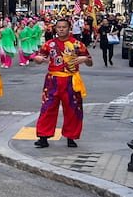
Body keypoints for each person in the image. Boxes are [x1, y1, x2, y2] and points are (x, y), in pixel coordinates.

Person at [31, 17, 92, 148]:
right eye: (59, 27)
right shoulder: (49, 44)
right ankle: (43, 136)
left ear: (69, 28)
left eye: (64, 27)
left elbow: (90, 61)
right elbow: (39, 56)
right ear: (55, 29)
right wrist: (38, 59)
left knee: (72, 108)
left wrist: (84, 59)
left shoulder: (77, 44)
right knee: (48, 108)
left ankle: (71, 137)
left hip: (71, 80)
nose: (61, 29)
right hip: (52, 80)